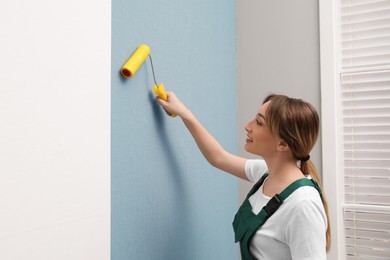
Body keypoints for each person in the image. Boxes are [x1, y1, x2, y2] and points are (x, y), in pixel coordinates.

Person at [156, 91, 331, 260]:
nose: (247, 126)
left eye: (259, 123)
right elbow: (218, 157)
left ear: (283, 144)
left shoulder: (303, 205)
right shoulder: (266, 173)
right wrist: (184, 113)